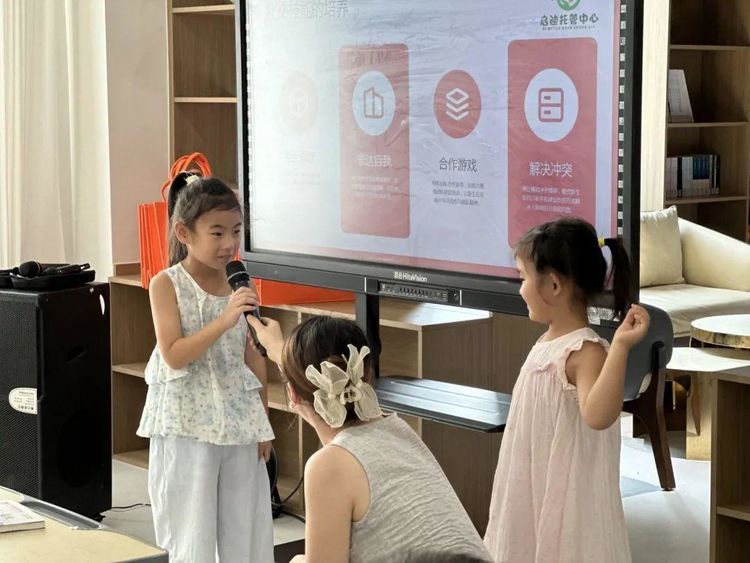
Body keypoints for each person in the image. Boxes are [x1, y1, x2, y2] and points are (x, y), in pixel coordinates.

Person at [247, 314, 493, 563]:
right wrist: (281, 352)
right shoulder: (396, 428)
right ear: (366, 374)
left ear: (292, 395)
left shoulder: (329, 465)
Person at [484, 217, 649, 563]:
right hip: (531, 484)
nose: (520, 289)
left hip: (565, 498)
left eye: (523, 278)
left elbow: (599, 415)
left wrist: (620, 347)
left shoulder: (584, 352)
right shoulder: (548, 342)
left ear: (554, 285)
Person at [137, 172, 275, 562]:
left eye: (236, 231)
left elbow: (253, 357)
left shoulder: (241, 283)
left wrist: (263, 423)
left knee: (245, 527)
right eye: (217, 233)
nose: (229, 243)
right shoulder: (166, 284)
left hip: (239, 418)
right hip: (186, 422)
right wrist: (224, 320)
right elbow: (174, 354)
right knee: (189, 531)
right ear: (184, 233)